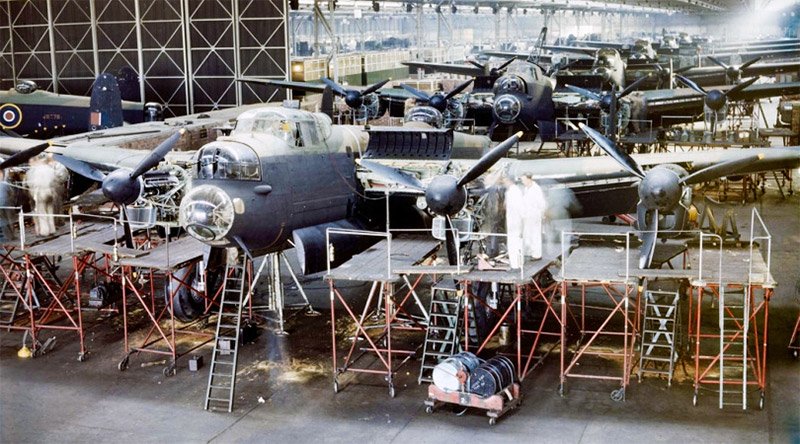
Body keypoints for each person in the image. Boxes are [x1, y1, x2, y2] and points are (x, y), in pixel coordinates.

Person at [520, 174, 546, 260]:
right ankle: (530, 251)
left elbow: (541, 202)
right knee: (528, 234)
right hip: (528, 215)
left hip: (535, 214)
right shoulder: (527, 188)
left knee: (535, 234)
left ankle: (537, 254)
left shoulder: (536, 189)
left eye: (523, 180)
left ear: (529, 179)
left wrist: (542, 212)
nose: (522, 182)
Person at [504, 176, 524, 268]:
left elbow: (518, 208)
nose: (504, 184)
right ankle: (516, 263)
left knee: (515, 244)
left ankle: (516, 264)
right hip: (513, 221)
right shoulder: (511, 191)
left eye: (505, 182)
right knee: (514, 243)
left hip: (515, 221)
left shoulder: (514, 192)